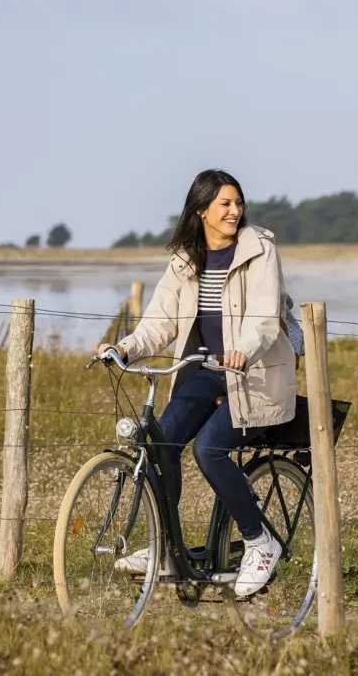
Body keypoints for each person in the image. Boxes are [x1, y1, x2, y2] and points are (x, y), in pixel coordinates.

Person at [97, 169, 297, 597]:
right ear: (201, 210)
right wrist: (125, 348)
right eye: (225, 204)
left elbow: (264, 319)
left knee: (209, 449)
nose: (234, 211)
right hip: (206, 372)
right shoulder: (186, 260)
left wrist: (243, 349)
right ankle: (166, 546)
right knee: (161, 439)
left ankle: (260, 542)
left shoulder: (259, 250)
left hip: (255, 375)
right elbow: (159, 323)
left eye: (238, 203)